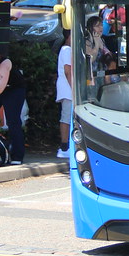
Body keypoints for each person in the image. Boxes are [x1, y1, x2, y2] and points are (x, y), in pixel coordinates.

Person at [56, 30, 73, 159]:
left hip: (68, 88)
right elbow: (68, 71)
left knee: (68, 117)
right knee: (66, 117)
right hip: (68, 89)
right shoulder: (67, 50)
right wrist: (74, 89)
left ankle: (67, 144)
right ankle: (64, 146)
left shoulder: (68, 49)